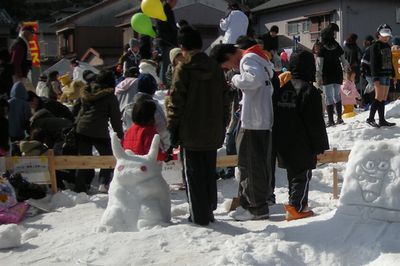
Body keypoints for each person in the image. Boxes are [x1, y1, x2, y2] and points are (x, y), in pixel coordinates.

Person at [167, 26, 230, 225]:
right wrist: (222, 125)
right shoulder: (215, 67)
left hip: (190, 131)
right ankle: (209, 208)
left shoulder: (183, 67)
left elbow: (176, 102)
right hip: (213, 130)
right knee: (208, 171)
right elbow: (225, 100)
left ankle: (199, 216)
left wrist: (172, 131)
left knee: (193, 175)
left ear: (181, 46)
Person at [210, 41, 274, 221]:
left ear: (229, 57)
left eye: (226, 65)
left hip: (254, 121)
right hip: (260, 119)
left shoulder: (247, 59)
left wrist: (236, 79)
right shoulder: (258, 57)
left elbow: (255, 80)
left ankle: (256, 207)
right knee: (253, 164)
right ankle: (251, 204)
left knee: (250, 165)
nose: (230, 68)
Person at [273, 50, 329, 221]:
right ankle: (296, 207)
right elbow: (315, 122)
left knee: (293, 173)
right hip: (302, 140)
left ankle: (298, 204)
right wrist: (320, 145)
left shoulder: (283, 87)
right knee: (302, 174)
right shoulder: (308, 90)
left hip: (283, 138)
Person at [74, 70, 124, 193]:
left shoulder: (87, 91)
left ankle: (81, 187)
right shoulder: (109, 96)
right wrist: (120, 135)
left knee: (84, 159)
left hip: (82, 128)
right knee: (108, 157)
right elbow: (115, 118)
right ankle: (103, 182)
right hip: (99, 130)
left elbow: (79, 110)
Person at [122, 73, 170, 152]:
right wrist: (166, 147)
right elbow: (162, 128)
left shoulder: (128, 107)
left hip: (131, 150)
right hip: (150, 150)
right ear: (153, 89)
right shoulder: (154, 107)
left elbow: (125, 129)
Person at [316, 24, 349, 127]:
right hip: (337, 73)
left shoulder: (322, 48)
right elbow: (344, 60)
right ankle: (339, 118)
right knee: (337, 96)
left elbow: (319, 65)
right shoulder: (337, 46)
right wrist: (346, 69)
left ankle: (331, 121)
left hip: (327, 75)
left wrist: (318, 77)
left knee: (328, 97)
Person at [367, 24, 396, 127]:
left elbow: (390, 61)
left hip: (387, 75)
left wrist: (393, 74)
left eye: (387, 36)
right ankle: (370, 118)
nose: (386, 37)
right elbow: (373, 63)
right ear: (378, 34)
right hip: (379, 76)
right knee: (378, 97)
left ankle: (382, 120)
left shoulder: (388, 46)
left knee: (383, 98)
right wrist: (375, 78)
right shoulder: (375, 46)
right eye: (384, 35)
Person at [157, 0, 178, 84]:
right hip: (168, 41)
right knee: (167, 64)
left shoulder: (163, 9)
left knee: (165, 64)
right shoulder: (167, 10)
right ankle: (165, 83)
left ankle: (164, 82)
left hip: (164, 40)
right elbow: (172, 26)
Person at [10, 25, 37, 92]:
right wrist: (19, 74)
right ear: (26, 32)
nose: (32, 36)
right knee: (19, 93)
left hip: (20, 74)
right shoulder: (20, 44)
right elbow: (16, 61)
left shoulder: (21, 43)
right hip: (18, 76)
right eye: (32, 33)